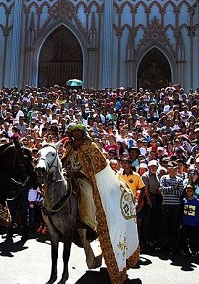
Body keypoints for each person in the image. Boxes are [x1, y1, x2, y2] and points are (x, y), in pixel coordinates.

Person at [60, 122, 140, 284]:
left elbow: (99, 165)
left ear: (82, 133)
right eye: (73, 132)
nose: (75, 134)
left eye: (78, 132)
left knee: (88, 193)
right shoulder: (68, 145)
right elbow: (63, 160)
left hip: (84, 178)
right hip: (69, 176)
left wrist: (81, 171)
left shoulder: (90, 146)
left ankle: (89, 222)